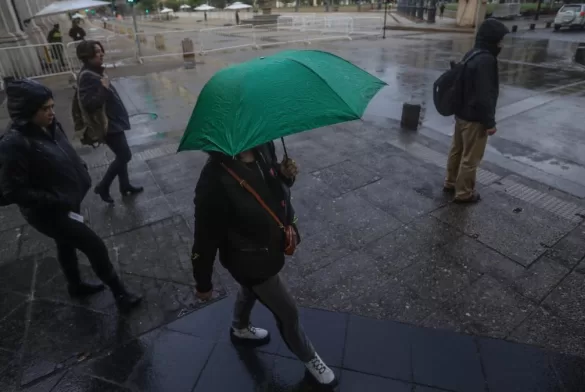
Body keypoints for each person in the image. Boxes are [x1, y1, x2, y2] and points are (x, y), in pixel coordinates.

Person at [191, 142, 337, 387]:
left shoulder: (263, 146)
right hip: (246, 258)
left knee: (251, 288)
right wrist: (203, 282)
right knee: (288, 312)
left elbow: (270, 190)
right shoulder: (214, 178)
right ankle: (310, 359)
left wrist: (283, 175)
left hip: (271, 245)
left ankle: (239, 326)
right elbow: (204, 238)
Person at [0, 80, 142, 312]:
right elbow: (13, 190)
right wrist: (56, 200)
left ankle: (75, 285)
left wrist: (81, 169)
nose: (52, 112)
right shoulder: (13, 143)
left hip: (66, 199)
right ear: (27, 112)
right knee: (93, 245)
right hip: (48, 212)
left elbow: (64, 149)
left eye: (52, 106)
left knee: (65, 244)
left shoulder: (51, 125)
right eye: (45, 109)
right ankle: (120, 294)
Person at [444, 19, 509, 203]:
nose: (501, 44)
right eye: (499, 40)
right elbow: (484, 95)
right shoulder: (486, 60)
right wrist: (489, 123)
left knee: (456, 150)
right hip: (475, 118)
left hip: (461, 114)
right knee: (471, 158)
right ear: (491, 39)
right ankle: (464, 193)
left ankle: (450, 182)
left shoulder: (472, 53)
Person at [76, 40, 143, 204]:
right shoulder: (87, 76)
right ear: (87, 56)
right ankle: (103, 186)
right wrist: (104, 88)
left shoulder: (93, 72)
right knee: (125, 155)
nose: (101, 54)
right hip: (108, 125)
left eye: (101, 50)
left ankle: (125, 185)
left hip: (113, 122)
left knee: (121, 154)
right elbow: (89, 104)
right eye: (97, 52)